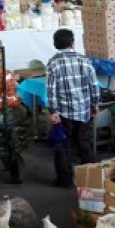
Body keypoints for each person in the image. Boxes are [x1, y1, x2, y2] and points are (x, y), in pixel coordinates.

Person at [45, 28, 100, 188]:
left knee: (63, 145)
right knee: (83, 141)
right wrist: (95, 103)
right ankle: (92, 176)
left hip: (64, 112)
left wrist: (53, 111)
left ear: (55, 44)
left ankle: (65, 179)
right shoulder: (84, 60)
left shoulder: (53, 63)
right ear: (72, 43)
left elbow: (51, 89)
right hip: (83, 109)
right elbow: (94, 84)